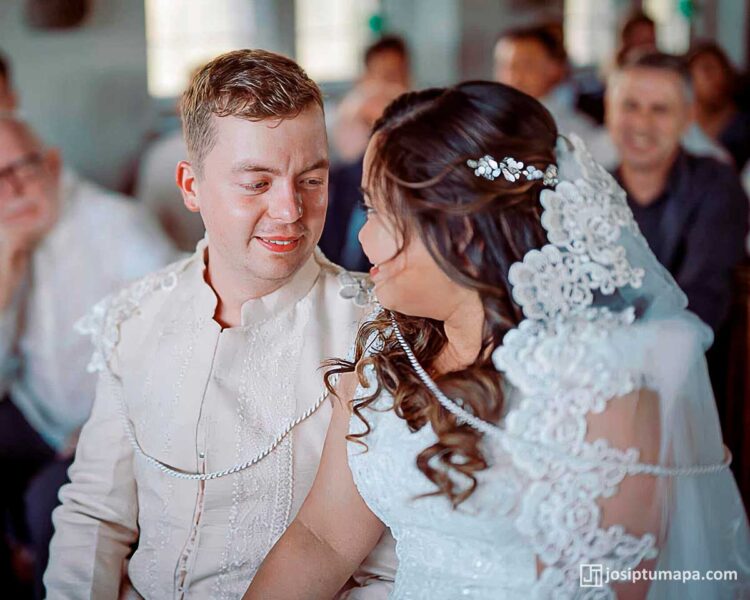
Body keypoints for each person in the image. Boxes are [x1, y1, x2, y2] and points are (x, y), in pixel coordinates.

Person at [244, 81, 750, 599]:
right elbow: (321, 539)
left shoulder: (603, 392)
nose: (362, 238)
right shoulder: (389, 356)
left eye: (380, 212)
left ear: (460, 230)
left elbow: (614, 586)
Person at [44, 49, 394, 599]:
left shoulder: (378, 332)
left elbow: (385, 568)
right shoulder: (133, 318)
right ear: (190, 185)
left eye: (311, 180)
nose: (290, 211)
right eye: (257, 183)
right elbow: (95, 515)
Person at [0, 116, 175, 599]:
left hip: (104, 422)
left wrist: (107, 421)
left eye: (22, 169)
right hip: (37, 410)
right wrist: (8, 264)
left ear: (52, 164)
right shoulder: (7, 228)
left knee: (51, 506)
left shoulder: (116, 225)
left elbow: (176, 336)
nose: (11, 190)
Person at [606, 51, 748, 335]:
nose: (642, 124)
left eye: (660, 109)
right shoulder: (589, 189)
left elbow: (702, 300)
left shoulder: (716, 185)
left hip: (684, 362)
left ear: (688, 117)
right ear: (609, 109)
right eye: (630, 106)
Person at [493, 25, 615, 168]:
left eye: (526, 65)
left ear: (555, 69)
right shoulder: (484, 123)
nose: (513, 76)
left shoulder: (575, 133)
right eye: (505, 66)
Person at [688, 41, 750, 171]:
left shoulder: (743, 127)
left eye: (720, 69)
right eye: (706, 69)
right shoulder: (680, 127)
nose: (714, 77)